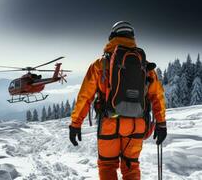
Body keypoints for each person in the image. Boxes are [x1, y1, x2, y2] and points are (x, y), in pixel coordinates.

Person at [69, 21, 167, 180]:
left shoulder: (100, 65)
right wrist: (161, 123)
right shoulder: (145, 65)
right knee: (131, 166)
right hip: (137, 124)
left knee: (107, 166)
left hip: (110, 122)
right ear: (132, 37)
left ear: (112, 37)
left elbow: (85, 96)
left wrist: (75, 124)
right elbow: (157, 96)